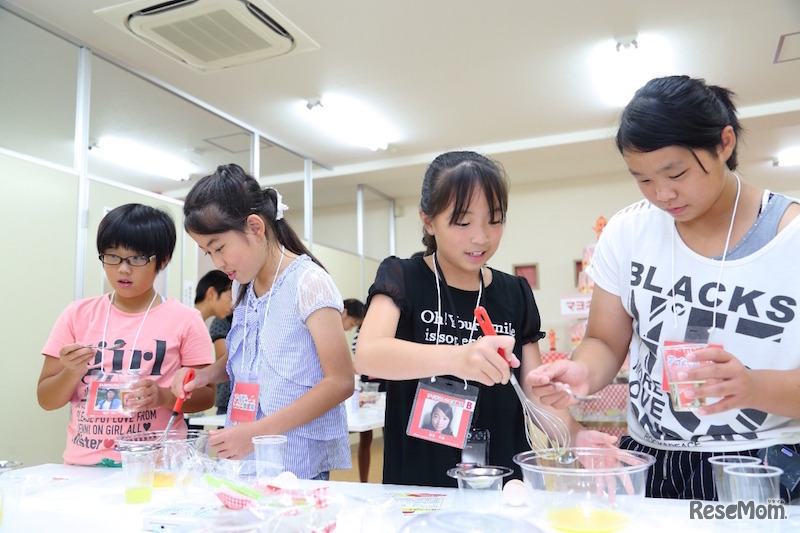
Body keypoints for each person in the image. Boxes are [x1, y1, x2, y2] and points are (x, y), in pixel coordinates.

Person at [529, 75, 800, 501]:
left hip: (761, 461)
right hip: (650, 455)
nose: (663, 194)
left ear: (724, 143)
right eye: (643, 179)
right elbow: (604, 340)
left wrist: (752, 386)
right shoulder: (628, 231)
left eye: (676, 173)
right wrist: (584, 372)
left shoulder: (791, 238)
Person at [355, 150, 615, 487]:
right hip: (420, 485)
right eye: (463, 222)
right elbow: (369, 355)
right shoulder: (402, 277)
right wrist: (459, 358)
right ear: (428, 220)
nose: (481, 237)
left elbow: (533, 393)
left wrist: (576, 435)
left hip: (502, 480)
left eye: (494, 220)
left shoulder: (515, 292)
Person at [172, 163, 354, 480]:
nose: (217, 262)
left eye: (219, 248)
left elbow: (340, 382)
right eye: (208, 253)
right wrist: (205, 375)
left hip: (295, 458)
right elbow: (250, 355)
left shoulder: (308, 283)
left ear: (255, 228)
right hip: (245, 450)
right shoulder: (243, 284)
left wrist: (257, 432)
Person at [38, 203, 215, 466]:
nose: (123, 269)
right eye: (112, 256)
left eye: (137, 259)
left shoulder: (186, 320)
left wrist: (164, 396)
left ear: (163, 260)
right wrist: (71, 372)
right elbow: (46, 399)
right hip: (85, 466)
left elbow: (207, 395)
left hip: (157, 466)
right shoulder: (77, 315)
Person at [192, 270, 234, 418]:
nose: (232, 305)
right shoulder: (190, 322)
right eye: (230, 298)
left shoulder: (198, 323)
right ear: (211, 294)